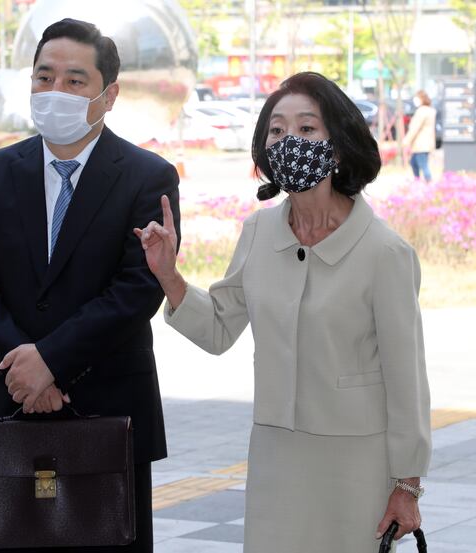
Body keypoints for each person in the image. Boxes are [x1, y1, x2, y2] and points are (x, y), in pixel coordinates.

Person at [135, 72, 431, 553]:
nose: (289, 140)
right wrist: (169, 275)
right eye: (277, 130)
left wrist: (408, 485)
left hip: (356, 463)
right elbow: (218, 329)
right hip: (275, 456)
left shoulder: (385, 253)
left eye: (307, 128)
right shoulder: (258, 232)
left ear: (338, 148)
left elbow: (407, 381)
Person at [0, 17, 180, 553]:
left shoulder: (148, 176)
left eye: (75, 80)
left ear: (109, 94)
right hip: (11, 401)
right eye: (44, 77)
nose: (56, 90)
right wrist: (23, 367)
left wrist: (51, 361)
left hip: (110, 411)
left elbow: (137, 288)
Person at [403, 90, 437, 182]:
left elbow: (414, 128)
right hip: (425, 143)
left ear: (422, 99)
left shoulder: (421, 112)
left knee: (423, 165)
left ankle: (428, 182)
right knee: (414, 162)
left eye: (417, 98)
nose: (415, 100)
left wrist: (406, 141)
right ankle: (417, 181)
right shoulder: (430, 110)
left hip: (421, 144)